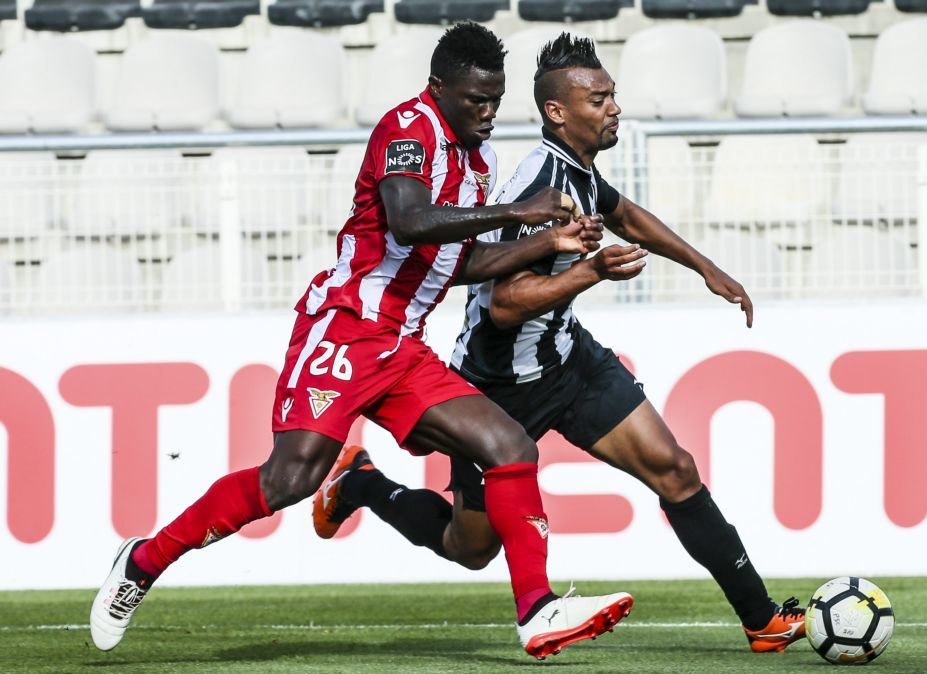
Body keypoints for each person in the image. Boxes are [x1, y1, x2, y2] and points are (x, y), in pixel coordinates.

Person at [90, 23, 635, 661]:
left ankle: (538, 611)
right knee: (289, 479)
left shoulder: (477, 161)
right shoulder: (409, 127)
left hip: (403, 347)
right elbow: (409, 219)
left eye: (495, 100)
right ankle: (144, 561)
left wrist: (546, 244)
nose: (487, 114)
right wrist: (519, 215)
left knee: (507, 444)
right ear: (439, 89)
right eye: (474, 100)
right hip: (347, 328)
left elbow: (451, 263)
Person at [313, 33, 808, 654]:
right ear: (558, 111)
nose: (613, 108)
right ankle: (360, 484)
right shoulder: (536, 187)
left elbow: (624, 214)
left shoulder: (577, 171)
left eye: (612, 95)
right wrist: (589, 273)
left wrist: (704, 266)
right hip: (496, 384)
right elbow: (501, 304)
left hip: (569, 362)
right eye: (598, 98)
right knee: (469, 549)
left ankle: (762, 619)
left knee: (674, 470)